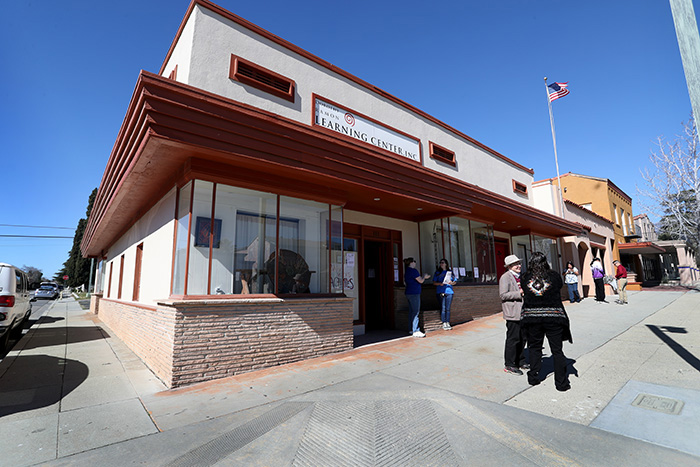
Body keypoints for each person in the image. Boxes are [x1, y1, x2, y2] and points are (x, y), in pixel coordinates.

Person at [521, 252, 573, 391]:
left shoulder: (525, 277)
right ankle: (561, 383)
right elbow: (558, 288)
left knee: (535, 348)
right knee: (557, 350)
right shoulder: (555, 276)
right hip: (554, 317)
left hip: (532, 318)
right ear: (545, 262)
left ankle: (533, 376)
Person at [499, 254, 528, 375]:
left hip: (523, 312)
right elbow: (503, 295)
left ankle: (520, 360)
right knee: (513, 338)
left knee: (523, 338)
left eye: (519, 263)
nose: (519, 266)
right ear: (510, 266)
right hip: (512, 313)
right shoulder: (505, 277)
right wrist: (519, 292)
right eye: (516, 264)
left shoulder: (521, 277)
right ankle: (510, 364)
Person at [404, 257, 431, 337]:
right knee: (416, 312)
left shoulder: (407, 271)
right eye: (414, 261)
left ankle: (411, 329)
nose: (415, 263)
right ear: (411, 262)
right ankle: (416, 330)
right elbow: (421, 281)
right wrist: (424, 277)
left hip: (408, 292)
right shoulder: (413, 271)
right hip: (414, 293)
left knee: (411, 312)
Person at [433, 258, 457, 330]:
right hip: (441, 291)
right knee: (443, 308)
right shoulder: (437, 272)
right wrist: (440, 284)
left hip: (449, 291)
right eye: (440, 263)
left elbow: (455, 281)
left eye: (443, 262)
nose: (441, 264)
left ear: (446, 264)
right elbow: (434, 282)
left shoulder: (450, 272)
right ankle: (444, 322)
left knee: (448, 308)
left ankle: (447, 322)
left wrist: (451, 283)